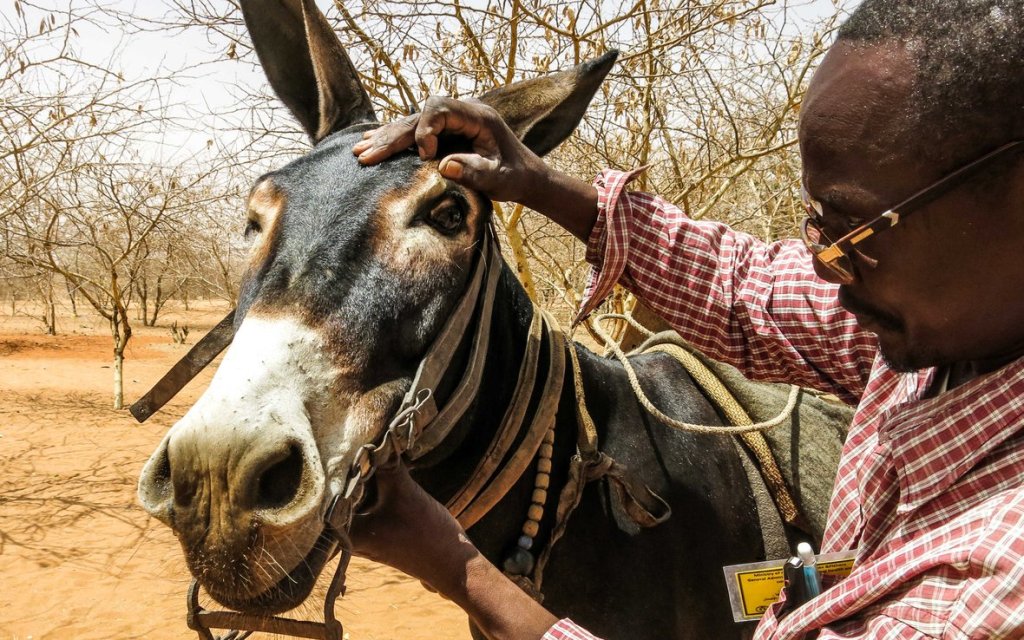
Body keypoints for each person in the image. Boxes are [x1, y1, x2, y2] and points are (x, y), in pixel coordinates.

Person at [348, 0, 1024, 638]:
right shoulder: (947, 328)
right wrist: (539, 182)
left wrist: (459, 570)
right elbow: (749, 289)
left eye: (854, 230)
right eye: (816, 222)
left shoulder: (996, 579)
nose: (822, 265)